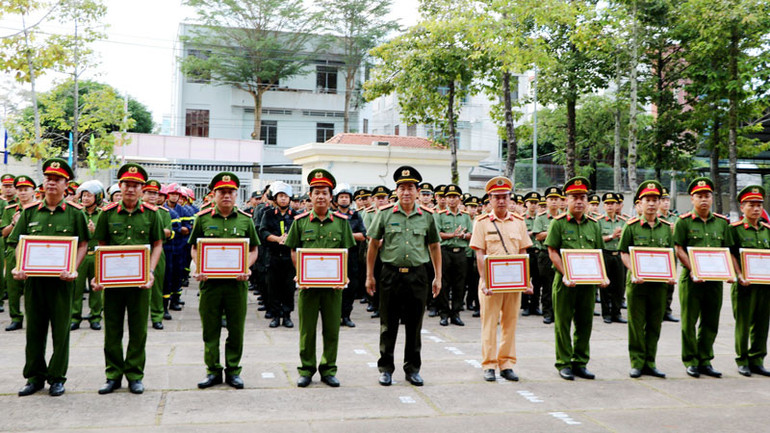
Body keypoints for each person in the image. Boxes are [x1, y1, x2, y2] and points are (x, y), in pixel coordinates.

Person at [10, 159, 88, 397]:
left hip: (62, 283)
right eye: (48, 178)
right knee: (34, 330)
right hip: (34, 282)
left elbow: (84, 243)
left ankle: (57, 378)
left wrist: (73, 268)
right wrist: (19, 266)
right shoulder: (30, 212)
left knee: (61, 332)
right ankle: (34, 377)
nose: (52, 182)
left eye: (57, 179)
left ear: (67, 184)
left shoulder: (75, 214)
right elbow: (16, 241)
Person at [366, 166, 441, 387]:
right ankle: (386, 368)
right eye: (402, 188)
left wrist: (438, 277)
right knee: (388, 325)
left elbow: (434, 246)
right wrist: (370, 275)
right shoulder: (385, 213)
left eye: (410, 188)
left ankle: (412, 369)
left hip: (418, 276)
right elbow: (372, 245)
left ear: (417, 192)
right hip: (390, 274)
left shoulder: (427, 216)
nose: (406, 192)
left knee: (414, 325)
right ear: (396, 191)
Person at [93, 163, 164, 395]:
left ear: (142, 189)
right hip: (113, 283)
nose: (131, 189)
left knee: (138, 330)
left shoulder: (152, 215)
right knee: (112, 329)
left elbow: (157, 245)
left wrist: (151, 272)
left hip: (140, 283)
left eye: (135, 185)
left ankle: (134, 374)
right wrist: (99, 276)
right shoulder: (107, 214)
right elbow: (101, 246)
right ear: (119, 186)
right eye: (127, 185)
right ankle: (112, 375)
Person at [285, 169, 355, 387]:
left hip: (333, 287)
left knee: (332, 328)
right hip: (308, 286)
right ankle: (306, 369)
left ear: (330, 197)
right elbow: (294, 250)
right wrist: (302, 273)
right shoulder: (300, 222)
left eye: (325, 192)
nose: (321, 196)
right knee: (307, 330)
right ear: (310, 196)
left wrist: (342, 275)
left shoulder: (342, 222)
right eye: (316, 192)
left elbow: (346, 251)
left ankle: (328, 369)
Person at [190, 172, 259, 389]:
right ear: (214, 194)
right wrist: (199, 266)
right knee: (210, 330)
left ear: (236, 194)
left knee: (236, 329)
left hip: (236, 285)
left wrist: (246, 266)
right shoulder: (202, 218)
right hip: (210, 284)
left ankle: (233, 371)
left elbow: (254, 249)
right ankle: (212, 371)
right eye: (222, 192)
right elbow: (194, 248)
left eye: (230, 192)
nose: (226, 196)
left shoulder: (246, 220)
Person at [545, 177, 609, 381]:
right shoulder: (558, 224)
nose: (579, 201)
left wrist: (603, 276)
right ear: (566, 200)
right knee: (563, 323)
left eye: (583, 197)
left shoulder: (594, 225)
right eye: (574, 197)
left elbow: (599, 252)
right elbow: (552, 251)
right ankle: (564, 363)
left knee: (585, 323)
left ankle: (580, 362)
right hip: (565, 282)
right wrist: (566, 273)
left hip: (588, 283)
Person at [470, 176, 532, 382]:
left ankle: (506, 363)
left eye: (505, 197)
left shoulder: (519, 223)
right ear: (489, 199)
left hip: (514, 282)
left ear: (510, 198)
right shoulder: (481, 223)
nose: (501, 201)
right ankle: (489, 365)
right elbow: (479, 254)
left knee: (510, 322)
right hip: (490, 283)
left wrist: (527, 279)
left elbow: (523, 252)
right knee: (489, 323)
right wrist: (485, 281)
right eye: (497, 197)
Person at [674, 177, 733, 378]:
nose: (704, 200)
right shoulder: (683, 222)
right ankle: (691, 360)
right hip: (691, 280)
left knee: (711, 321)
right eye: (699, 196)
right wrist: (693, 269)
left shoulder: (722, 223)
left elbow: (728, 250)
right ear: (692, 199)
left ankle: (705, 359)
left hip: (715, 281)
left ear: (712, 198)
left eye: (707, 195)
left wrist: (732, 272)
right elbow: (678, 249)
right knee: (689, 322)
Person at [618, 181, 675, 379]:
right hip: (637, 284)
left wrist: (671, 274)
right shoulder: (631, 226)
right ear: (640, 204)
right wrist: (634, 271)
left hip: (659, 285)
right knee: (636, 324)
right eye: (647, 200)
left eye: (655, 200)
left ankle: (650, 362)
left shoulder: (667, 228)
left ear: (660, 203)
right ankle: (636, 362)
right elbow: (623, 253)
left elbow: (670, 254)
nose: (651, 204)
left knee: (654, 324)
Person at [729, 185, 770, 377]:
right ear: (742, 207)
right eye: (751, 205)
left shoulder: (767, 230)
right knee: (743, 323)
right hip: (744, 284)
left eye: (759, 205)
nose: (756, 209)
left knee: (762, 323)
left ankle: (757, 359)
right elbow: (731, 255)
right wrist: (739, 275)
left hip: (765, 285)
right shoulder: (735, 230)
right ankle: (742, 359)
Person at [259, 181, 298, 328]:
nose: (283, 199)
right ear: (275, 198)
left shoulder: (296, 216)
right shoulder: (268, 214)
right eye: (280, 196)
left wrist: (289, 239)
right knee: (273, 288)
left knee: (288, 288)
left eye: (286, 196)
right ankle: (275, 316)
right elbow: (263, 231)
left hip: (290, 257)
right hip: (273, 256)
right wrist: (277, 239)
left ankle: (287, 315)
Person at [2, 175, 38, 331]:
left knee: (32, 288)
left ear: (33, 192)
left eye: (26, 190)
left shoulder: (39, 209)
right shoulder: (10, 210)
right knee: (13, 287)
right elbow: (4, 233)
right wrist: (13, 224)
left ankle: (34, 318)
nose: (23, 193)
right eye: (20, 190)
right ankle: (16, 317)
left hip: (34, 253)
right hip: (12, 250)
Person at [434, 184, 472, 326]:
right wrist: (453, 235)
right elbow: (437, 235)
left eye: (454, 197)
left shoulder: (466, 217)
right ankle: (443, 314)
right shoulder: (440, 215)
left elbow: (472, 234)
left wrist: (463, 236)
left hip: (460, 253)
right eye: (449, 197)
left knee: (459, 285)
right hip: (445, 253)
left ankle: (455, 313)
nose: (451, 200)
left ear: (459, 199)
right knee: (443, 284)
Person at [70, 180, 106, 331]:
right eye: (83, 195)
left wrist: (94, 231)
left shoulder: (103, 214)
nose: (85, 199)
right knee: (76, 288)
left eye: (89, 196)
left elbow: (106, 235)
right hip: (80, 255)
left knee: (96, 290)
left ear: (97, 197)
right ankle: (74, 317)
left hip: (96, 254)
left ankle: (95, 317)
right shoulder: (77, 213)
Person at [334, 184, 366, 328]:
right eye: (341, 197)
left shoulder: (355, 215)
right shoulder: (331, 215)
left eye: (347, 197)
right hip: (334, 256)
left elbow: (363, 235)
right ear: (336, 199)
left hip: (351, 255)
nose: (344, 200)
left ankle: (346, 315)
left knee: (351, 287)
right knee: (334, 287)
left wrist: (346, 236)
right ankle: (334, 315)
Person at [142, 180, 173, 330]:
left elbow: (169, 232)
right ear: (143, 194)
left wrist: (152, 233)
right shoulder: (139, 211)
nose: (153, 196)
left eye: (156, 193)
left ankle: (156, 316)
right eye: (149, 193)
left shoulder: (163, 213)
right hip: (139, 252)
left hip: (157, 251)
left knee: (157, 286)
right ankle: (140, 316)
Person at [532, 186, 562, 324]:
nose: (554, 202)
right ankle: (548, 313)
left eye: (556, 199)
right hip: (545, 254)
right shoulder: (541, 218)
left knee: (562, 284)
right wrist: (553, 230)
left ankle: (559, 312)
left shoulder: (565, 217)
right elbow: (538, 236)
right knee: (547, 284)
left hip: (561, 254)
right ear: (547, 201)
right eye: (551, 199)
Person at [599, 192, 627, 324]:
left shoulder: (623, 221)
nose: (610, 206)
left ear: (617, 205)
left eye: (612, 203)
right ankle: (606, 313)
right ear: (603, 206)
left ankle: (617, 312)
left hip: (619, 255)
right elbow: (597, 240)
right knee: (605, 285)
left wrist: (622, 237)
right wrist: (612, 236)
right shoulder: (598, 221)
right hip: (605, 254)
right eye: (607, 204)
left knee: (619, 285)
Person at [658, 187, 680, 323]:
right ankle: (659, 311)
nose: (666, 203)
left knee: (670, 284)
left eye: (667, 200)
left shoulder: (675, 219)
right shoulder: (656, 218)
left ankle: (667, 310)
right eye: (663, 200)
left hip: (672, 254)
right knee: (659, 284)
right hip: (660, 255)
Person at [522, 191, 543, 316]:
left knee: (537, 280)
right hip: (526, 251)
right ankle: (525, 306)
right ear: (526, 203)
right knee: (525, 279)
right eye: (531, 203)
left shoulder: (540, 218)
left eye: (536, 203)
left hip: (538, 251)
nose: (534, 205)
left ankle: (535, 305)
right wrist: (532, 232)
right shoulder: (521, 219)